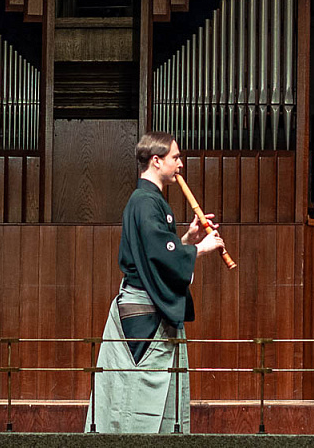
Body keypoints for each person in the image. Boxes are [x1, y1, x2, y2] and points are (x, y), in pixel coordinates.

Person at [85, 131, 225, 433]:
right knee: (136, 393)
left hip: (141, 307)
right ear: (156, 160)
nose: (180, 164)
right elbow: (160, 256)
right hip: (142, 313)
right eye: (175, 157)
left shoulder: (150, 201)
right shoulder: (146, 202)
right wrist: (200, 249)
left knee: (142, 392)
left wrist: (186, 239)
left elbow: (156, 250)